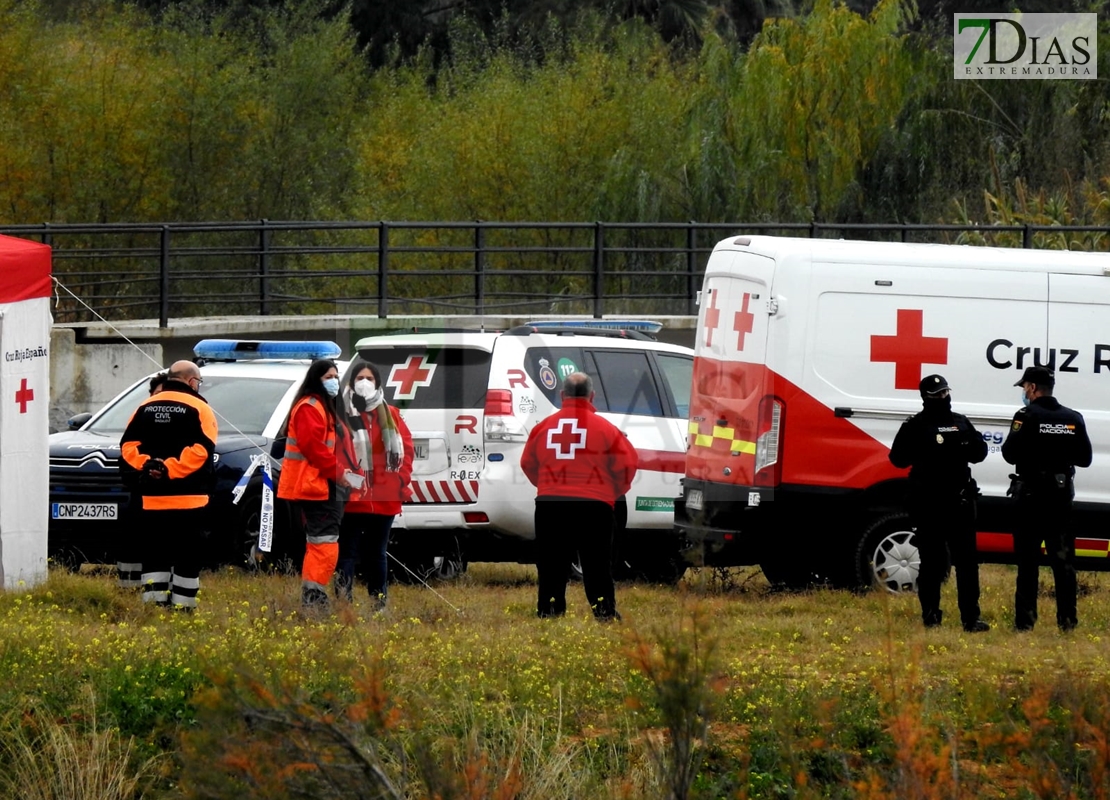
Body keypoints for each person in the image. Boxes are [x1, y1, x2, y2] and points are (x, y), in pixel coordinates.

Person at [521, 372, 638, 621]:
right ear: (592, 396)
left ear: (563, 395)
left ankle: (549, 611)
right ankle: (604, 613)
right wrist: (610, 493)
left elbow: (528, 463)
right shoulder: (607, 430)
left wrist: (547, 487)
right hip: (595, 507)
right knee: (597, 563)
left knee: (551, 563)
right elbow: (627, 466)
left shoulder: (542, 428)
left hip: (549, 506)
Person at [889, 374, 990, 632]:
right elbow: (898, 459)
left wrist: (965, 444)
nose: (942, 398)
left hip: (959, 503)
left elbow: (980, 453)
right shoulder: (915, 425)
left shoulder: (961, 423)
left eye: (945, 392)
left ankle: (970, 618)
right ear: (926, 397)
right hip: (929, 504)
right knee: (932, 563)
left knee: (967, 564)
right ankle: (931, 615)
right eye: (937, 394)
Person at [118, 362, 217, 610]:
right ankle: (184, 609)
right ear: (192, 381)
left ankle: (153, 608)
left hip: (152, 500)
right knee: (187, 557)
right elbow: (202, 450)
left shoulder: (143, 407)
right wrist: (170, 468)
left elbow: (128, 446)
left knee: (154, 555)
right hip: (191, 500)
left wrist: (149, 466)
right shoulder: (201, 408)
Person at [1002, 366, 1092, 632]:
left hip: (1030, 499)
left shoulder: (1025, 415)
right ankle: (1067, 622)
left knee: (1028, 564)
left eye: (1024, 388)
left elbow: (1009, 453)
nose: (1023, 393)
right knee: (1063, 564)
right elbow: (1085, 459)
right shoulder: (1072, 417)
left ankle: (1025, 624)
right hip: (1060, 499)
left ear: (1032, 388)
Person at [277, 358, 361, 611]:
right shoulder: (310, 407)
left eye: (336, 376)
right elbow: (314, 449)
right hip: (317, 486)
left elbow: (336, 448)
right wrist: (341, 474)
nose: (334, 381)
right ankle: (314, 598)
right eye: (328, 377)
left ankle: (315, 595)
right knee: (322, 544)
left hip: (327, 485)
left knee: (325, 543)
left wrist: (350, 474)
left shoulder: (327, 407)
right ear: (316, 379)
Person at [335, 358, 414, 610]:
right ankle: (343, 603)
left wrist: (400, 479)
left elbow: (407, 451)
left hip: (384, 498)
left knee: (376, 553)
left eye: (370, 379)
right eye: (360, 378)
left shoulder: (390, 414)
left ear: (378, 383)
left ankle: (378, 603)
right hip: (351, 497)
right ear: (351, 382)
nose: (365, 383)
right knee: (346, 553)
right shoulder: (341, 412)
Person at [117, 371, 170, 591]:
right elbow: (127, 453)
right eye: (158, 394)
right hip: (139, 492)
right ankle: (128, 589)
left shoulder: (187, 422)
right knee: (132, 541)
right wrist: (145, 472)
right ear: (150, 395)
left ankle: (157, 590)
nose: (163, 399)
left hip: (171, 497)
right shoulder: (140, 418)